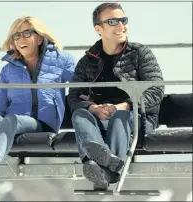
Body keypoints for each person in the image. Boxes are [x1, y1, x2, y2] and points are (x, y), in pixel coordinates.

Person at [0, 16, 75, 195]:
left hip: (41, 124)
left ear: (39, 37)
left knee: (12, 119)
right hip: (11, 123)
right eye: (16, 36)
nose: (21, 39)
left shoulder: (61, 60)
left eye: (26, 33)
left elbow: (83, 84)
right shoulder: (8, 70)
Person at [67, 3, 164, 187]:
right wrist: (93, 108)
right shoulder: (87, 61)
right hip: (101, 117)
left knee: (119, 116)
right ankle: (107, 164)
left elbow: (156, 90)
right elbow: (74, 96)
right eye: (113, 21)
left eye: (123, 20)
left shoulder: (139, 53)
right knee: (80, 114)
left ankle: (100, 167)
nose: (121, 25)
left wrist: (123, 106)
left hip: (136, 117)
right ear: (99, 29)